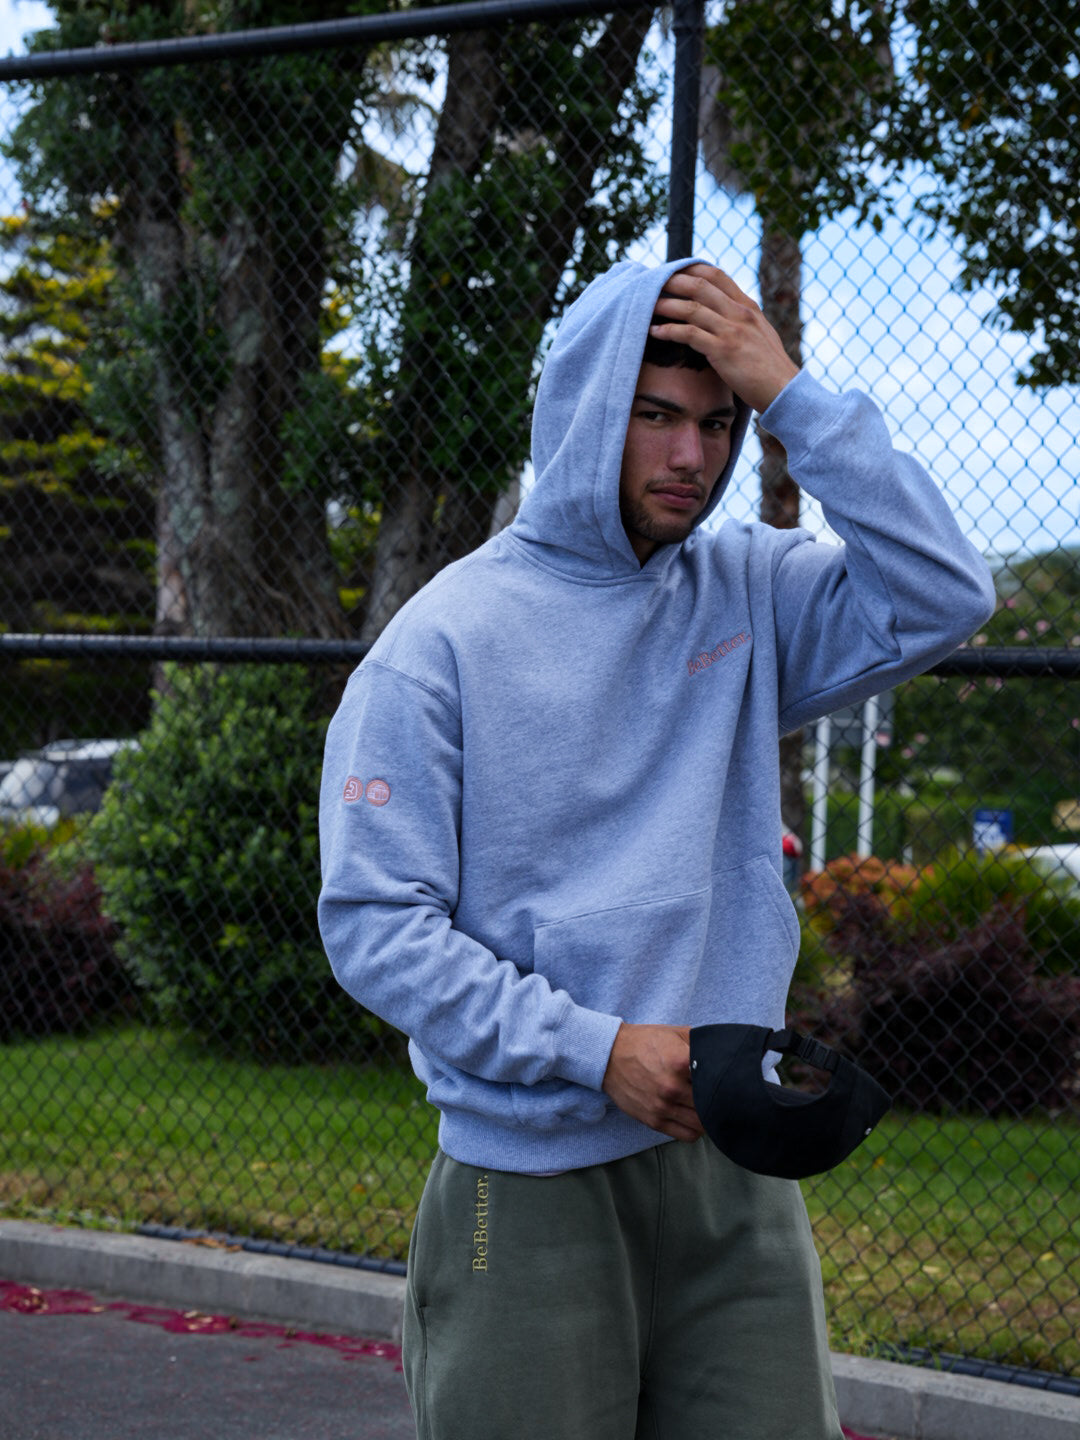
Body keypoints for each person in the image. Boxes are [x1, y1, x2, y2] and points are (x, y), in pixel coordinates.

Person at [318, 258, 994, 1439]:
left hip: (733, 1169)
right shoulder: (440, 646)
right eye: (657, 417)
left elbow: (945, 593)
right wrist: (593, 1052)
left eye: (719, 424)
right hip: (528, 1180)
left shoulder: (747, 591)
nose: (693, 456)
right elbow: (377, 929)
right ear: (588, 414)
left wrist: (791, 398)